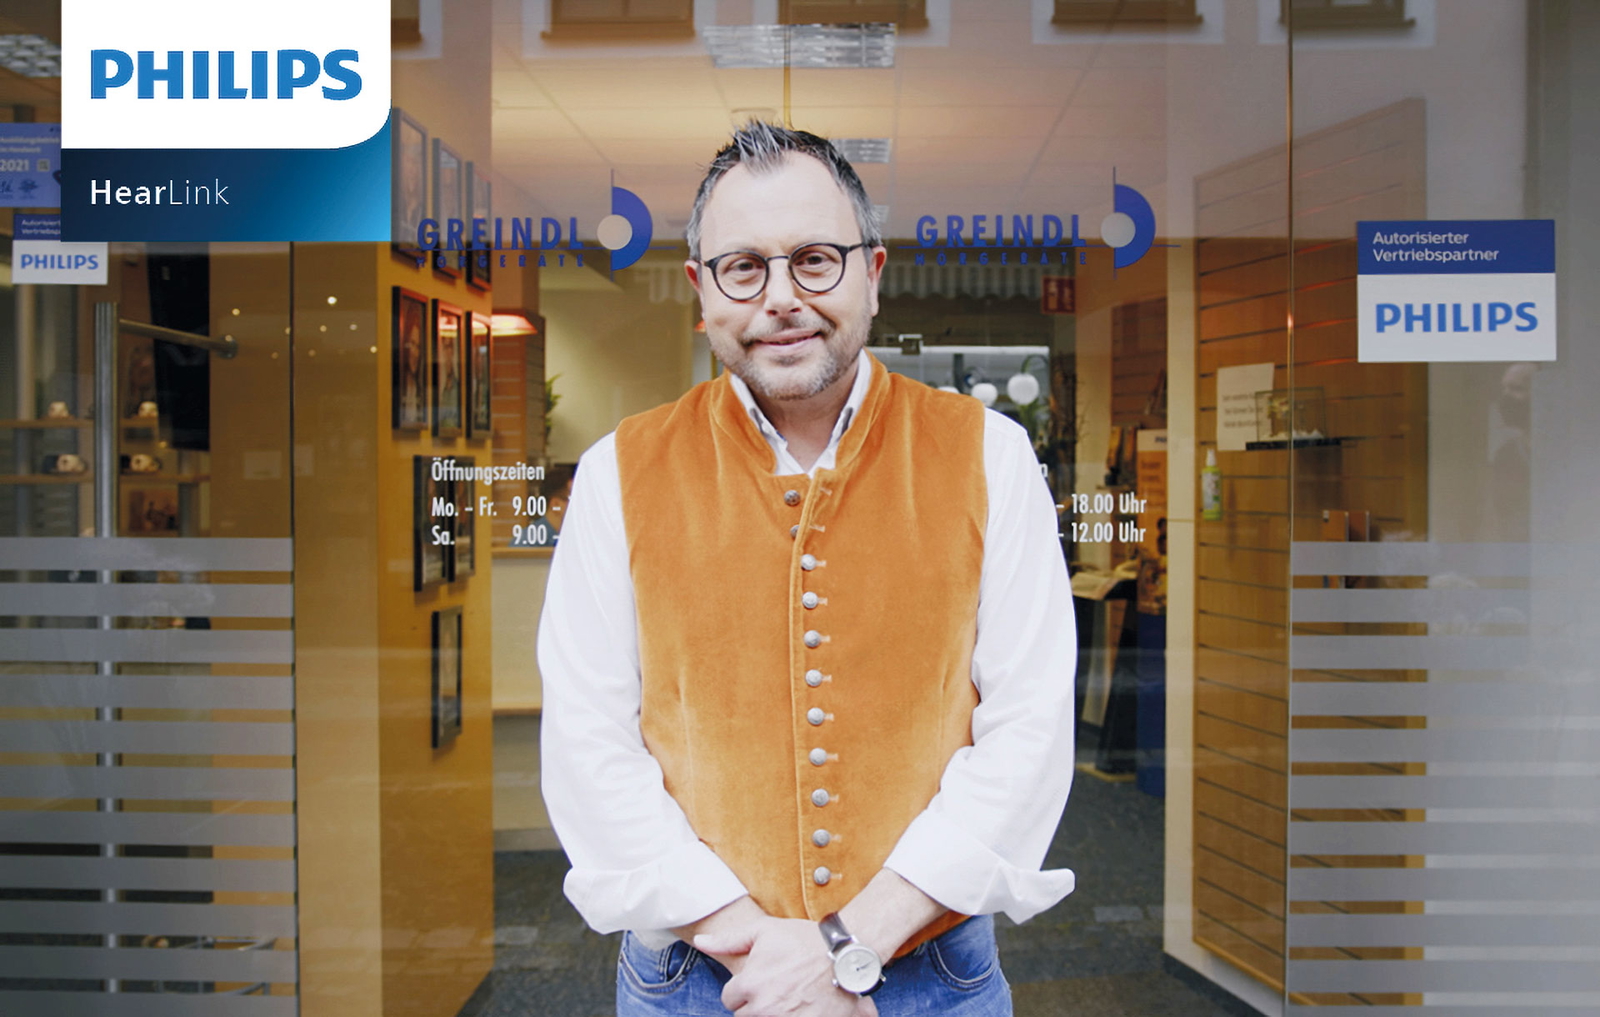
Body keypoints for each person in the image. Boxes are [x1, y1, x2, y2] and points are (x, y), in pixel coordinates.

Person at [538, 122, 1077, 1017]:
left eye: (816, 260)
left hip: (932, 978)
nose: (782, 298)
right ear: (700, 290)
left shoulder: (990, 454)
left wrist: (844, 945)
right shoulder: (617, 473)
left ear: (873, 273)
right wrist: (769, 955)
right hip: (699, 979)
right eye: (743, 267)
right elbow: (589, 742)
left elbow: (1029, 727)